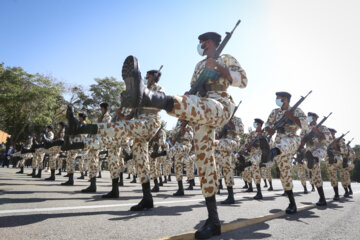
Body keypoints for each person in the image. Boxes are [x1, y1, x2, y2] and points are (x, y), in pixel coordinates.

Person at [116, 31, 247, 238]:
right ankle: (214, 221)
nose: (201, 45)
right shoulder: (198, 67)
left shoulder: (226, 58)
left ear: (212, 42)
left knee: (200, 107)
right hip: (200, 111)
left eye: (203, 41)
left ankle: (147, 96)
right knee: (204, 161)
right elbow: (194, 89)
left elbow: (243, 81)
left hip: (220, 104)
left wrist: (219, 67)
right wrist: (189, 95)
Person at [261, 91, 308, 214]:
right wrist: (269, 129)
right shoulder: (275, 112)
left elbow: (305, 125)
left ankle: (270, 155)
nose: (277, 100)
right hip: (279, 141)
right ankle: (292, 203)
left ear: (286, 99)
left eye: (279, 98)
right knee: (284, 173)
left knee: (276, 149)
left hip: (292, 139)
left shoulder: (297, 110)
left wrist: (292, 117)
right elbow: (267, 124)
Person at [299, 112, 331, 206]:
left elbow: (328, 138)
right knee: (315, 174)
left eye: (311, 117)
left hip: (321, 149)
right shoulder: (305, 130)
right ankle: (322, 198)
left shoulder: (322, 127)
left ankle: (314, 160)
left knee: (315, 156)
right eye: (308, 117)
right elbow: (300, 142)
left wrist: (319, 133)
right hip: (309, 152)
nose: (309, 118)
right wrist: (302, 147)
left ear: (316, 119)